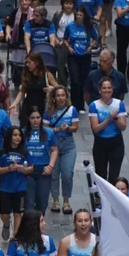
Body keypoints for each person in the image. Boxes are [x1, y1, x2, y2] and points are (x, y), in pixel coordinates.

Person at [44, 85, 79, 214]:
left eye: (63, 95)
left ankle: (66, 200)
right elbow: (45, 129)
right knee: (53, 174)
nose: (60, 98)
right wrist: (57, 129)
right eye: (58, 95)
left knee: (67, 174)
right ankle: (55, 200)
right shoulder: (48, 111)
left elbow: (75, 127)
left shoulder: (72, 110)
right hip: (53, 145)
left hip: (68, 145)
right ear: (54, 97)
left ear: (66, 97)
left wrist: (68, 128)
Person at [0, 126, 32, 241]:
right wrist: (8, 169)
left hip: (20, 187)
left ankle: (15, 236)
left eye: (19, 135)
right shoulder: (2, 151)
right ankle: (6, 225)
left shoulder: (25, 151)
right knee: (4, 214)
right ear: (9, 136)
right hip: (5, 187)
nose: (18, 137)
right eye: (15, 135)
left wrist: (23, 169)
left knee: (17, 213)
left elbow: (31, 168)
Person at [89, 78, 127, 183]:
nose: (107, 90)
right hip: (100, 143)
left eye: (109, 88)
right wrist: (108, 119)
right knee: (101, 176)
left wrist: (115, 119)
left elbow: (123, 127)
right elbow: (95, 128)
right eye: (104, 88)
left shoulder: (119, 104)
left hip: (116, 143)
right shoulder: (94, 105)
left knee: (114, 177)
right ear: (99, 90)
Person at [23, 109, 58, 215]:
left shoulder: (49, 132)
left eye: (38, 117)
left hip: (44, 170)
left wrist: (51, 166)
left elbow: (54, 150)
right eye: (32, 118)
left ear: (41, 118)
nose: (35, 120)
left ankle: (39, 223)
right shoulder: (22, 132)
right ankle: (29, 224)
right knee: (29, 203)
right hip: (28, 171)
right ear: (28, 119)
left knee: (42, 203)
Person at [63, 6, 97, 115]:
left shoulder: (89, 26)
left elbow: (95, 39)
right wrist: (68, 47)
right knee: (75, 81)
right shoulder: (70, 26)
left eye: (80, 15)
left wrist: (90, 47)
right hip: (73, 56)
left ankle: (81, 105)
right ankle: (73, 104)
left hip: (85, 56)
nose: (78, 17)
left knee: (83, 81)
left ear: (84, 16)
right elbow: (65, 39)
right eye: (77, 15)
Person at [10, 53, 58, 127]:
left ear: (37, 63)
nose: (27, 65)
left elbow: (59, 89)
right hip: (28, 106)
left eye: (29, 62)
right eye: (26, 62)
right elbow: (22, 91)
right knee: (25, 128)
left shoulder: (47, 75)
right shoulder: (27, 75)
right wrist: (15, 103)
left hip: (42, 106)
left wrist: (52, 89)